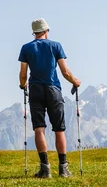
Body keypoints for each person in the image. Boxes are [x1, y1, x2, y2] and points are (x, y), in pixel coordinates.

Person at [18, 18, 81, 178]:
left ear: (34, 32)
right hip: (53, 89)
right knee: (59, 129)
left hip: (36, 90)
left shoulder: (26, 48)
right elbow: (65, 71)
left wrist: (22, 84)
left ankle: (45, 169)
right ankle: (63, 169)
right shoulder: (56, 46)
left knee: (39, 129)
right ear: (46, 31)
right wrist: (75, 81)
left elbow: (23, 73)